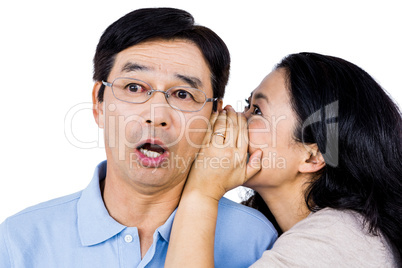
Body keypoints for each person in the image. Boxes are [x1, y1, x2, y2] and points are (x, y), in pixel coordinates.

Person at [0, 8, 277, 267]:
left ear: (214, 116)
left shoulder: (255, 241)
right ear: (98, 102)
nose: (156, 115)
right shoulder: (20, 241)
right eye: (134, 87)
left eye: (183, 94)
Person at [165, 52, 402, 267]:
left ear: (313, 156)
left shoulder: (337, 239)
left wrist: (203, 191)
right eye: (247, 106)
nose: (233, 116)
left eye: (256, 111)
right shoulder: (277, 232)